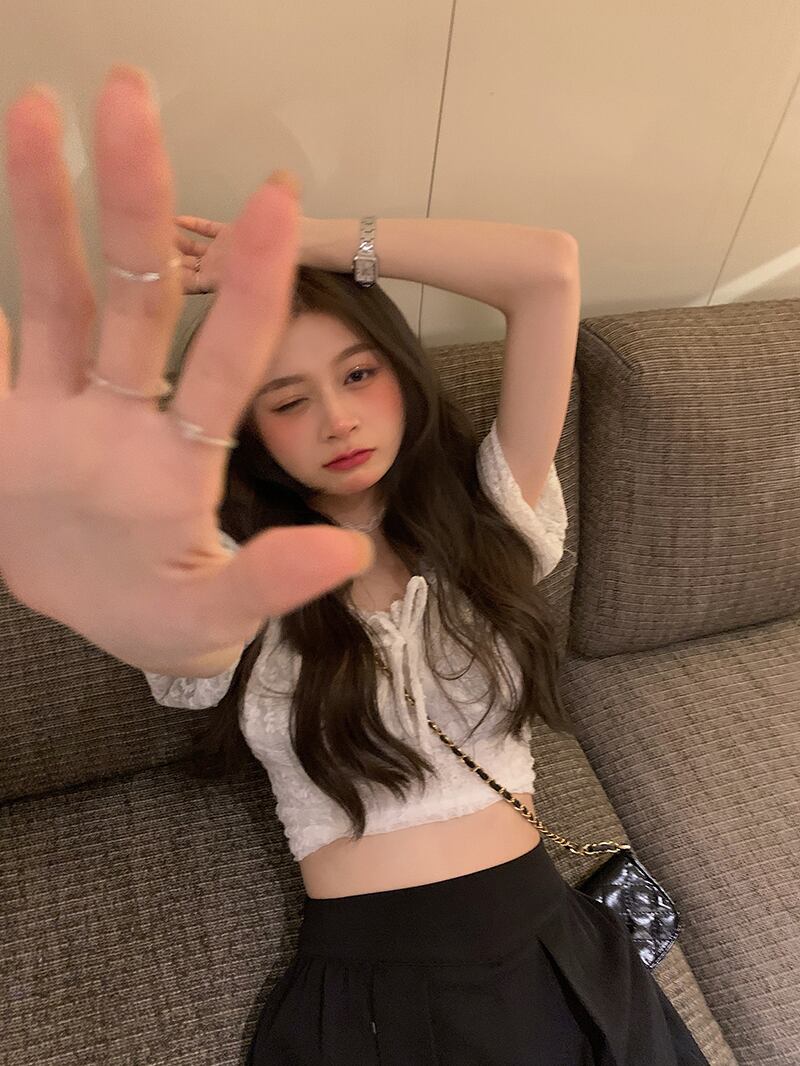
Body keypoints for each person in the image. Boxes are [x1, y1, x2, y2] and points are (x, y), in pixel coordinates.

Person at [0, 65, 710, 1065]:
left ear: (398, 372)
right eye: (287, 400)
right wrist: (122, 581)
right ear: (251, 433)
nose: (335, 418)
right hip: (373, 992)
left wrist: (298, 244)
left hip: (554, 947)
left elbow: (546, 271)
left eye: (358, 373)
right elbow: (185, 636)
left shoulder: (489, 517)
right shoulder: (238, 576)